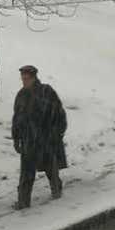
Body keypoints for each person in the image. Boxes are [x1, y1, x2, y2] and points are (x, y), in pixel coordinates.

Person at [12, 65, 68, 210]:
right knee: (26, 172)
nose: (24, 81)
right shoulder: (21, 95)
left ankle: (57, 190)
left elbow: (59, 113)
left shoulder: (46, 91)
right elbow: (17, 118)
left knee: (50, 167)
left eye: (27, 79)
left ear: (34, 78)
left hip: (46, 139)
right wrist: (16, 137)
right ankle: (23, 202)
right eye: (22, 79)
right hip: (28, 140)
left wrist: (57, 133)